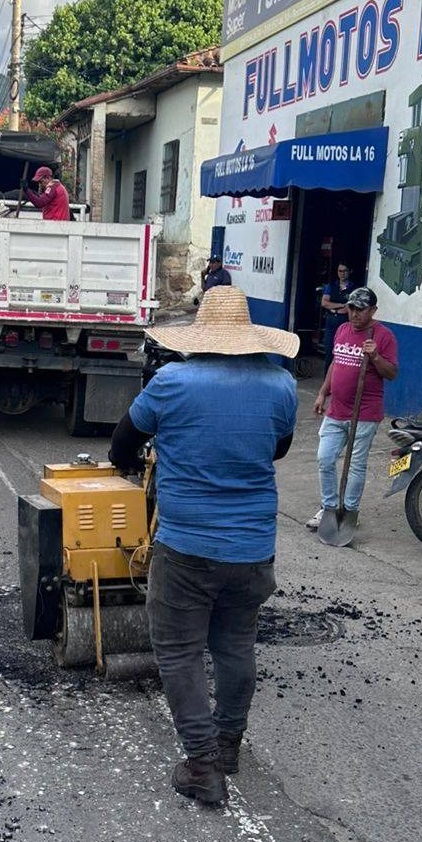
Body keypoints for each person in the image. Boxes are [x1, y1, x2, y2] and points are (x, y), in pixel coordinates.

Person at [109, 286, 298, 805]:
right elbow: (278, 448)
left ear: (201, 335)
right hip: (253, 547)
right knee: (235, 646)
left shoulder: (172, 382)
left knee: (179, 651)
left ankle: (201, 765)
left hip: (187, 547)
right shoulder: (281, 385)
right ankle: (228, 744)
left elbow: (124, 443)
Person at [307, 286, 399, 532]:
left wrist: (376, 356)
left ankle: (349, 512)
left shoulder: (384, 336)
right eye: (351, 308)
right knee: (325, 458)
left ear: (373, 310)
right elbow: (335, 363)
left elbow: (392, 373)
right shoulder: (342, 330)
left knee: (356, 464)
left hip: (364, 413)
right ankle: (329, 508)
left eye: (361, 309)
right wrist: (322, 393)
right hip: (336, 410)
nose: (355, 313)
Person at [319, 262, 355, 372]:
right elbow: (324, 303)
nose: (342, 273)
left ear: (350, 272)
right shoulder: (331, 286)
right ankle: (327, 379)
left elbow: (350, 307)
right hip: (331, 321)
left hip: (344, 321)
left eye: (345, 271)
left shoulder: (354, 289)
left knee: (343, 352)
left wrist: (333, 306)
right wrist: (341, 305)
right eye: (340, 271)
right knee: (329, 351)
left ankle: (339, 379)